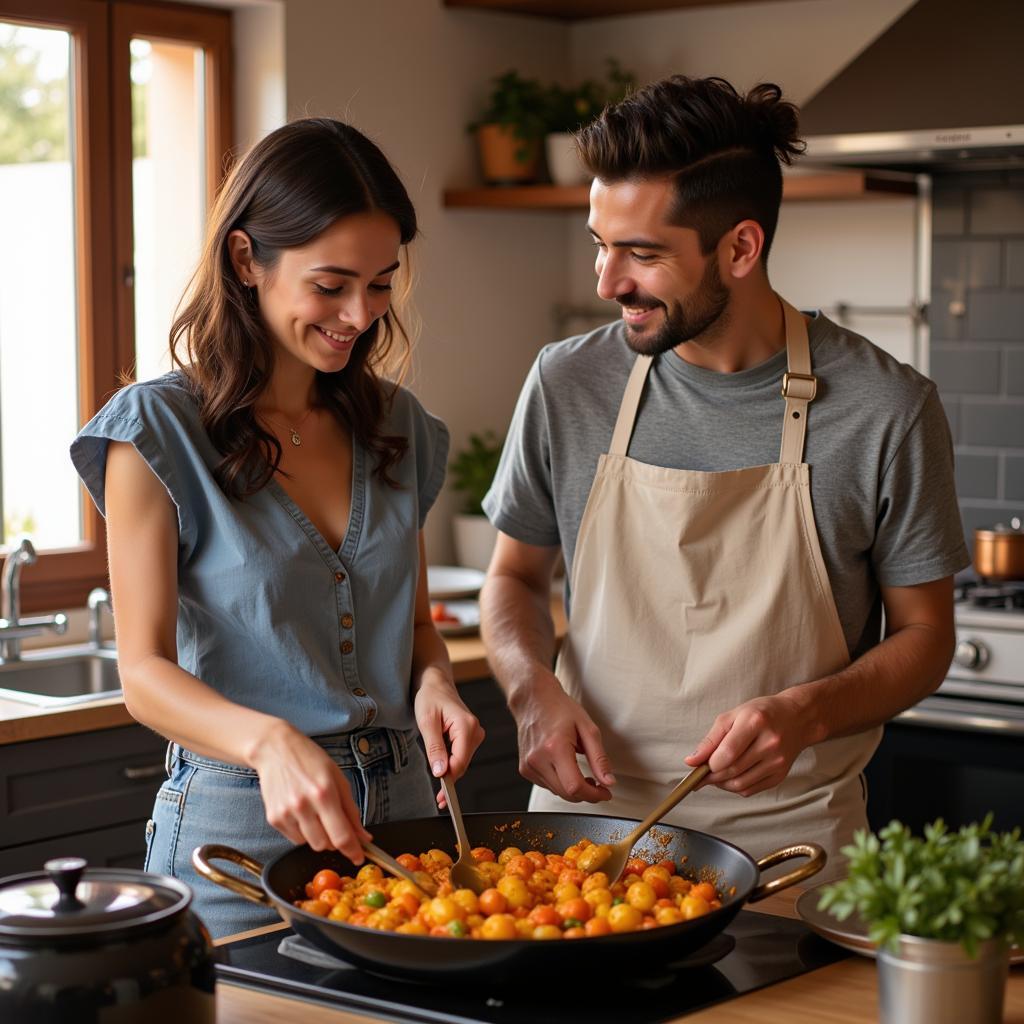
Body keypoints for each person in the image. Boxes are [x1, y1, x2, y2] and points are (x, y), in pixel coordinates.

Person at [479, 76, 968, 875]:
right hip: (581, 842)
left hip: (790, 851)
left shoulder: (887, 407)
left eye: (641, 254)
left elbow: (925, 637)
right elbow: (515, 579)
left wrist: (807, 713)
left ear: (740, 248)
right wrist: (532, 691)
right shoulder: (568, 382)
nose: (607, 282)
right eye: (600, 243)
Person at [71, 118, 483, 937]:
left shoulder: (397, 424)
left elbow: (411, 627)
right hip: (241, 831)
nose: (360, 314)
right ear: (246, 259)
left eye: (381, 283)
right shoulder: (158, 429)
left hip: (405, 813)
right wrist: (267, 743)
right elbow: (145, 673)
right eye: (331, 285)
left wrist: (434, 680)